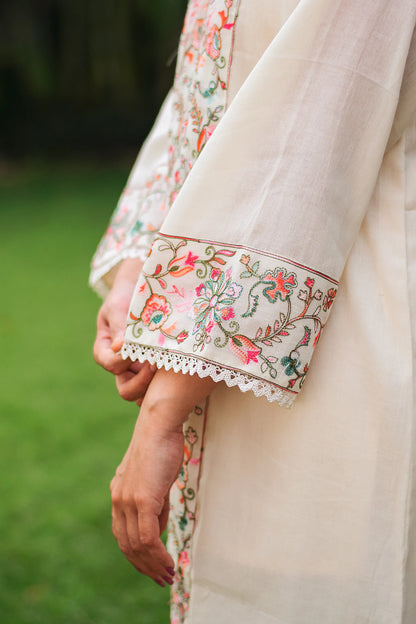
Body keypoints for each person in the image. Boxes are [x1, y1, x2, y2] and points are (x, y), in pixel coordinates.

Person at [90, 1, 416, 622]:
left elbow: (308, 140)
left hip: (347, 331)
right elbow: (204, 95)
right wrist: (139, 262)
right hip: (228, 341)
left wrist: (162, 415)